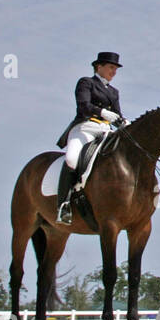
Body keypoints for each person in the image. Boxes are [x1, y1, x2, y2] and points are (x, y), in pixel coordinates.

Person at [55, 52, 126, 223]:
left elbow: (116, 116)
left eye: (115, 69)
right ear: (99, 66)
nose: (114, 71)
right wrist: (102, 112)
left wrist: (124, 123)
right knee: (71, 160)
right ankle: (63, 206)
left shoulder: (114, 92)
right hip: (85, 128)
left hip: (105, 131)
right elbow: (84, 105)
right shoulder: (86, 82)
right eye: (111, 67)